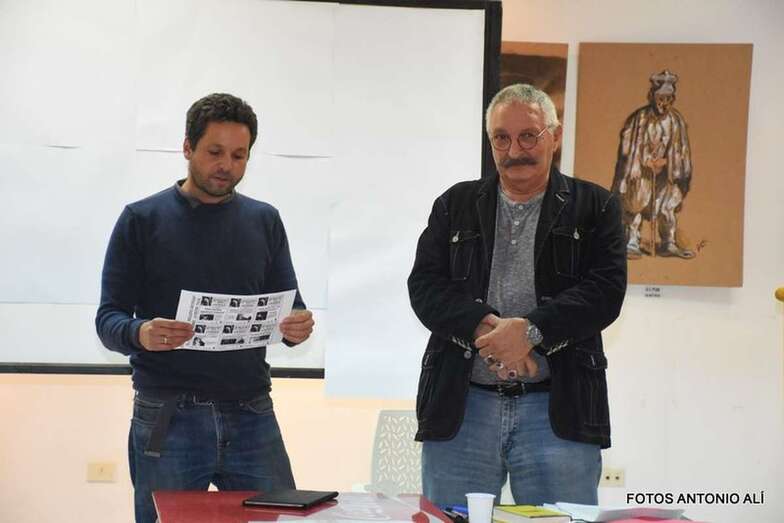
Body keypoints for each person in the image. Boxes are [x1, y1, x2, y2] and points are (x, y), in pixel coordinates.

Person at [95, 93, 315, 523]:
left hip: (252, 412)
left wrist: (297, 327)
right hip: (169, 414)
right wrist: (140, 333)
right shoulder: (141, 219)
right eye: (215, 152)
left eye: (239, 155)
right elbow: (108, 319)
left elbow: (291, 306)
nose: (227, 166)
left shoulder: (265, 220)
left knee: (281, 518)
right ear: (187, 148)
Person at [408, 84, 627, 507]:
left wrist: (530, 331)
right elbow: (424, 285)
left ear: (555, 136)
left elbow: (605, 292)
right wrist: (487, 328)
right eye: (501, 138)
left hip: (557, 411)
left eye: (529, 135)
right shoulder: (454, 204)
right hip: (463, 408)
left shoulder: (595, 207)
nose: (515, 150)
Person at [611, 69, 694, 259]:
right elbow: (628, 147)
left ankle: (668, 242)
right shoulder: (638, 119)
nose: (663, 103)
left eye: (668, 99)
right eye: (660, 98)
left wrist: (666, 162)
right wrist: (646, 161)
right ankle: (632, 241)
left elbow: (680, 150)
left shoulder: (676, 121)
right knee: (635, 203)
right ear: (652, 96)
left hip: (666, 172)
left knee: (667, 205)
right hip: (641, 171)